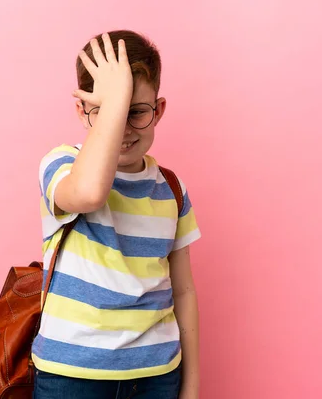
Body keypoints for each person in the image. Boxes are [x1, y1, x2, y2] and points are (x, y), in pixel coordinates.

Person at [32, 30, 202, 399]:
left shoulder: (171, 189)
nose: (123, 128)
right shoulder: (62, 164)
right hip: (71, 376)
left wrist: (191, 385)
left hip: (157, 375)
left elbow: (184, 290)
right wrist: (119, 95)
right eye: (110, 111)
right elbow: (90, 193)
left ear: (159, 110)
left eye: (136, 112)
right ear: (82, 111)